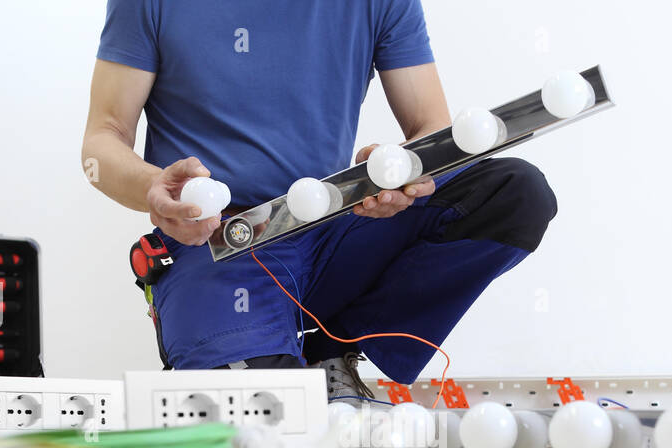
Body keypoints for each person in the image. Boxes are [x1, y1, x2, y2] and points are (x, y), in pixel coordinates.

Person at [83, 0, 557, 403]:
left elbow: (430, 130)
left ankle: (333, 344)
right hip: (219, 245)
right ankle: (282, 353)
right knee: (263, 416)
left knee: (512, 193)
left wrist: (404, 171)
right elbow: (103, 139)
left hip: (336, 230)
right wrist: (151, 186)